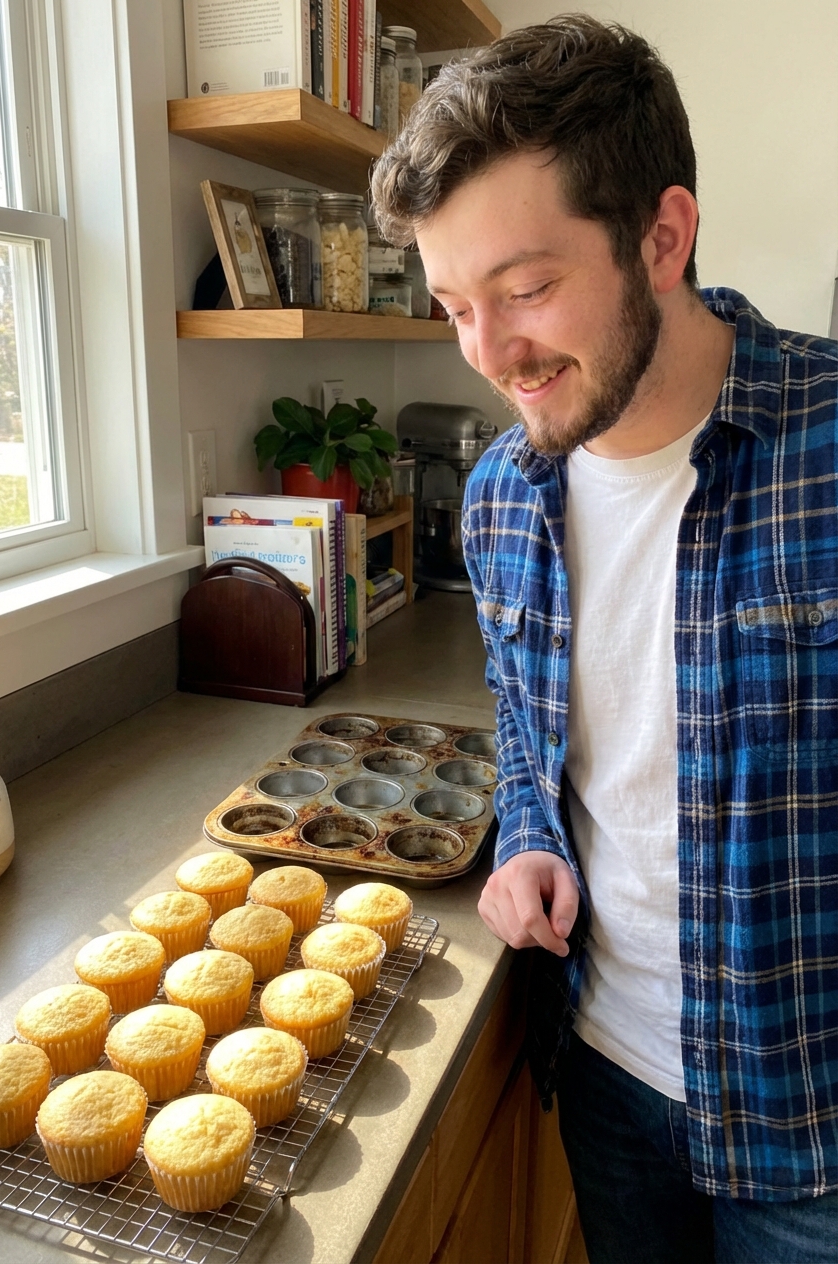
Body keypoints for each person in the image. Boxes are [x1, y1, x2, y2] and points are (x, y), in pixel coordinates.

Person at [371, 15, 837, 1264]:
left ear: (663, 236)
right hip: (607, 1074)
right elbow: (528, 737)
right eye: (456, 306)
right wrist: (524, 833)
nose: (492, 355)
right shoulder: (496, 500)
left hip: (814, 1135)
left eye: (525, 290)